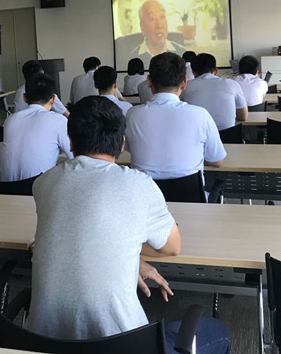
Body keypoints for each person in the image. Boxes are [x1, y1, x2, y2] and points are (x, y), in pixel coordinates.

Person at [26, 95, 230, 354]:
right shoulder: (138, 184)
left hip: (42, 344)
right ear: (122, 143)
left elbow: (75, 234)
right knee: (216, 331)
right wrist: (131, 252)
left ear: (71, 141)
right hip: (123, 345)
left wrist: (130, 257)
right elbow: (172, 247)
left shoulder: (44, 183)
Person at [126, 52, 226, 180]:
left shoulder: (133, 114)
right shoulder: (200, 115)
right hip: (190, 192)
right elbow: (217, 161)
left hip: (145, 192)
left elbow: (129, 149)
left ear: (149, 81)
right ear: (184, 82)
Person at [0, 73, 73, 182]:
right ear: (53, 99)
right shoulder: (58, 120)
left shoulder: (10, 120)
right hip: (36, 189)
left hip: (4, 189)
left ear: (24, 98)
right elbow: (76, 157)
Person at [181, 53, 248, 130]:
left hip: (198, 136)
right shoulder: (232, 84)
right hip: (228, 135)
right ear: (216, 71)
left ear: (193, 72)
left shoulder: (185, 87)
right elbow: (243, 116)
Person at [130, 0, 185, 65]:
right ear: (142, 26)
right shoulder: (132, 58)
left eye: (162, 16)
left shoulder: (182, 53)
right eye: (152, 18)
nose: (159, 25)